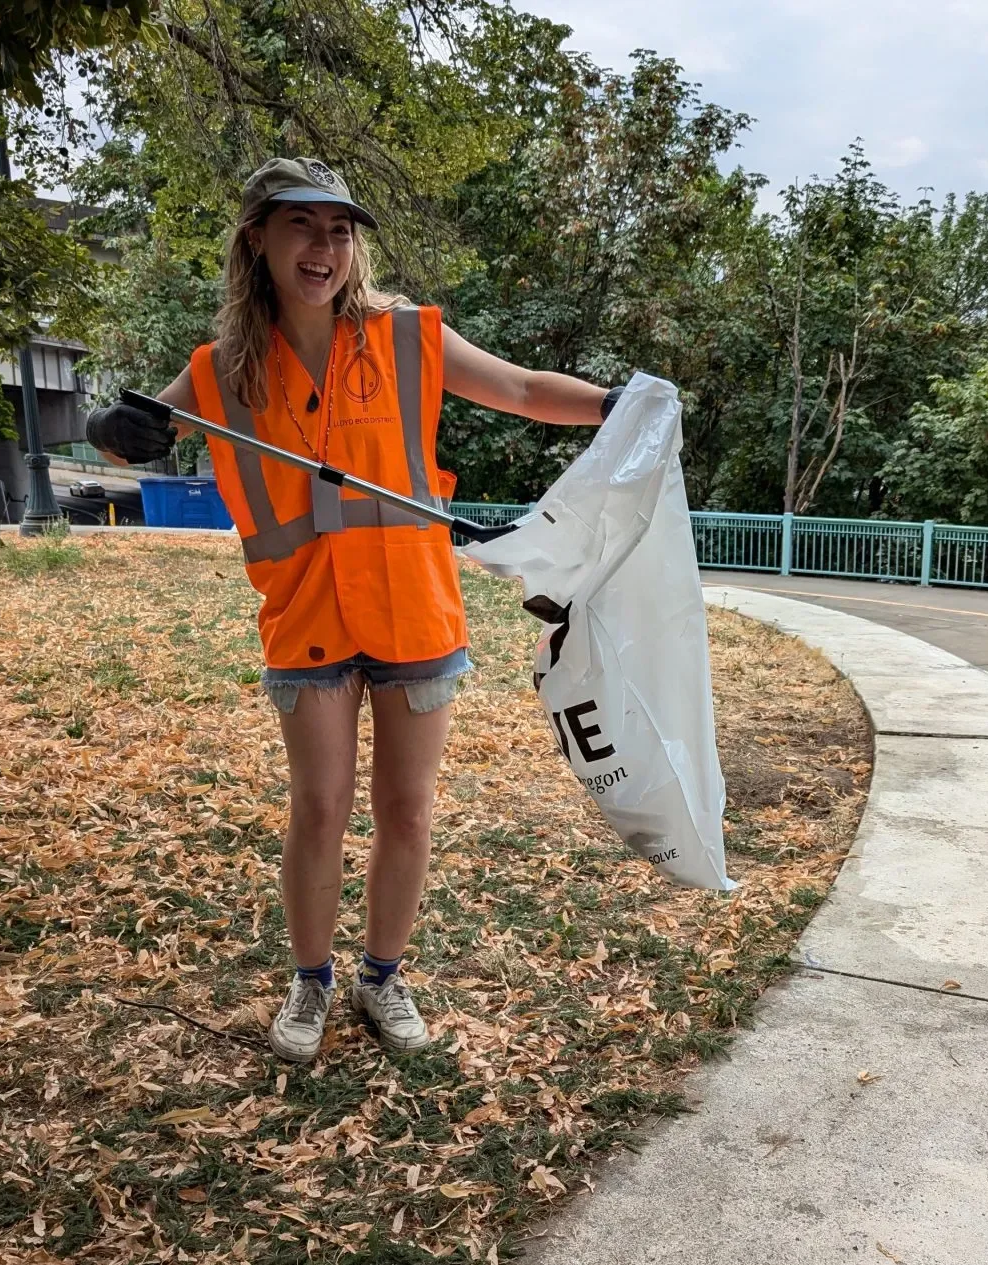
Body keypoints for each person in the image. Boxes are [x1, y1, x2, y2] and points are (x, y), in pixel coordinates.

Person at [84, 157, 619, 1065]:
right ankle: (311, 981)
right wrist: (109, 429)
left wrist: (617, 405)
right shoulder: (220, 370)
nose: (323, 247)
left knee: (406, 812)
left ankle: (383, 976)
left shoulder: (406, 336)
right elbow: (134, 433)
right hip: (307, 620)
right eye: (301, 225)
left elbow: (525, 391)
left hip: (414, 614)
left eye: (339, 230)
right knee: (320, 806)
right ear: (258, 238)